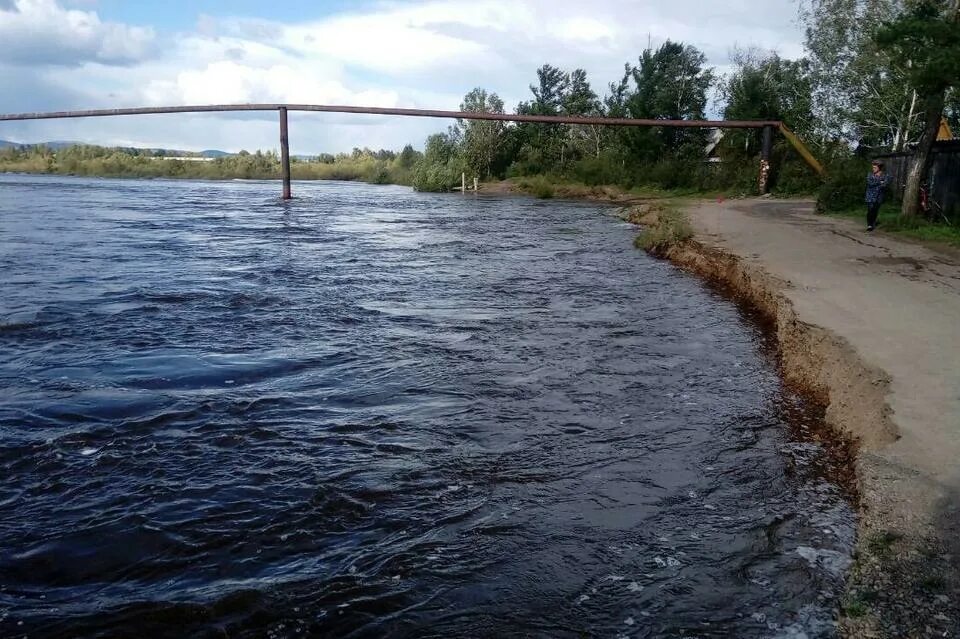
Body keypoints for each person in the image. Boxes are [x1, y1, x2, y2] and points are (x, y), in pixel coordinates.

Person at [865, 160, 890, 231]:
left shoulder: (885, 175)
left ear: (879, 168)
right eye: (873, 167)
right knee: (870, 209)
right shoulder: (870, 174)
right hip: (870, 195)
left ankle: (872, 223)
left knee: (875, 210)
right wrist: (880, 181)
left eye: (875, 168)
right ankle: (869, 225)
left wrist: (880, 182)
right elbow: (870, 183)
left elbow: (885, 184)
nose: (873, 169)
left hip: (879, 196)